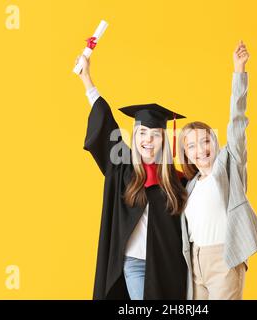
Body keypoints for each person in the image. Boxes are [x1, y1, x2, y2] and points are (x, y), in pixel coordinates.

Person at [76, 54, 188, 299]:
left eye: (155, 134)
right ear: (135, 136)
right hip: (134, 263)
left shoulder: (177, 181)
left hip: (168, 268)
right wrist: (87, 80)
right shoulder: (124, 170)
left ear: (164, 140)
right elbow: (107, 127)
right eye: (142, 133)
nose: (147, 140)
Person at [178, 41, 257, 300]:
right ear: (187, 154)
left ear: (215, 141)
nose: (200, 149)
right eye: (192, 146)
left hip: (224, 258)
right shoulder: (191, 184)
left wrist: (239, 71)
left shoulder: (229, 166)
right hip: (195, 262)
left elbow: (237, 121)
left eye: (205, 140)